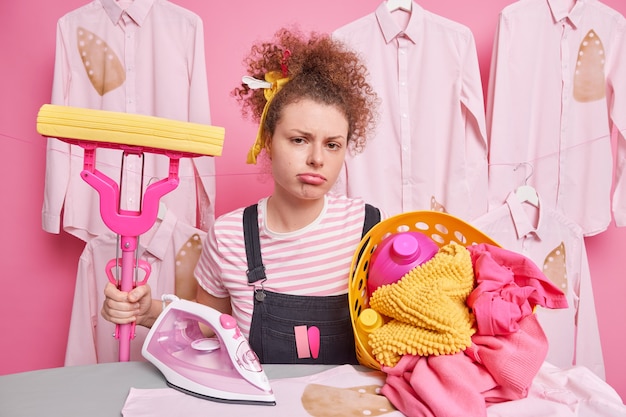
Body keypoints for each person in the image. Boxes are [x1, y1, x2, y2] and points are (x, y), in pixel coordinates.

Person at [101, 27, 381, 364]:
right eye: (299, 139)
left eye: (332, 145)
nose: (317, 159)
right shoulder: (230, 235)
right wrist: (145, 311)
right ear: (267, 141)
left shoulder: (367, 228)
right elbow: (208, 326)